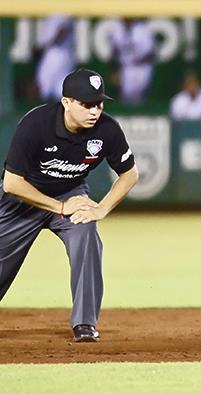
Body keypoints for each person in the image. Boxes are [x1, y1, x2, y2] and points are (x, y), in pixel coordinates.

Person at [0, 68, 139, 342]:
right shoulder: (36, 124)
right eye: (86, 104)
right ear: (66, 102)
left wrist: (100, 208)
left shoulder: (107, 130)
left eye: (98, 104)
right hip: (24, 198)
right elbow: (12, 184)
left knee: (86, 232)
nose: (94, 111)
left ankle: (85, 323)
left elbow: (130, 174)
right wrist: (60, 207)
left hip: (71, 193)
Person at [109, 18, 156, 105]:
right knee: (125, 95)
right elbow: (114, 51)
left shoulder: (142, 30)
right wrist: (114, 69)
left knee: (141, 95)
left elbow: (152, 53)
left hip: (142, 67)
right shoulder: (118, 30)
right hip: (126, 67)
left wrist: (139, 59)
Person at [35, 15, 76, 101]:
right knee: (46, 87)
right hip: (52, 52)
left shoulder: (62, 8)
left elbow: (63, 29)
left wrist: (47, 45)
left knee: (56, 88)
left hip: (59, 52)